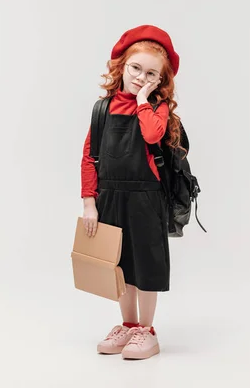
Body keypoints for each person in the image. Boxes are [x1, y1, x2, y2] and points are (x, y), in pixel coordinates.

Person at [79, 24, 184, 360]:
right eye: (136, 68)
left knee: (147, 264)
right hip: (111, 196)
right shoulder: (102, 109)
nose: (141, 77)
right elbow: (89, 157)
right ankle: (128, 323)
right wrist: (89, 203)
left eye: (151, 73)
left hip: (145, 197)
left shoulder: (157, 108)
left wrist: (142, 101)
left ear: (160, 79)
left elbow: (152, 136)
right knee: (121, 266)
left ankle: (146, 331)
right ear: (121, 66)